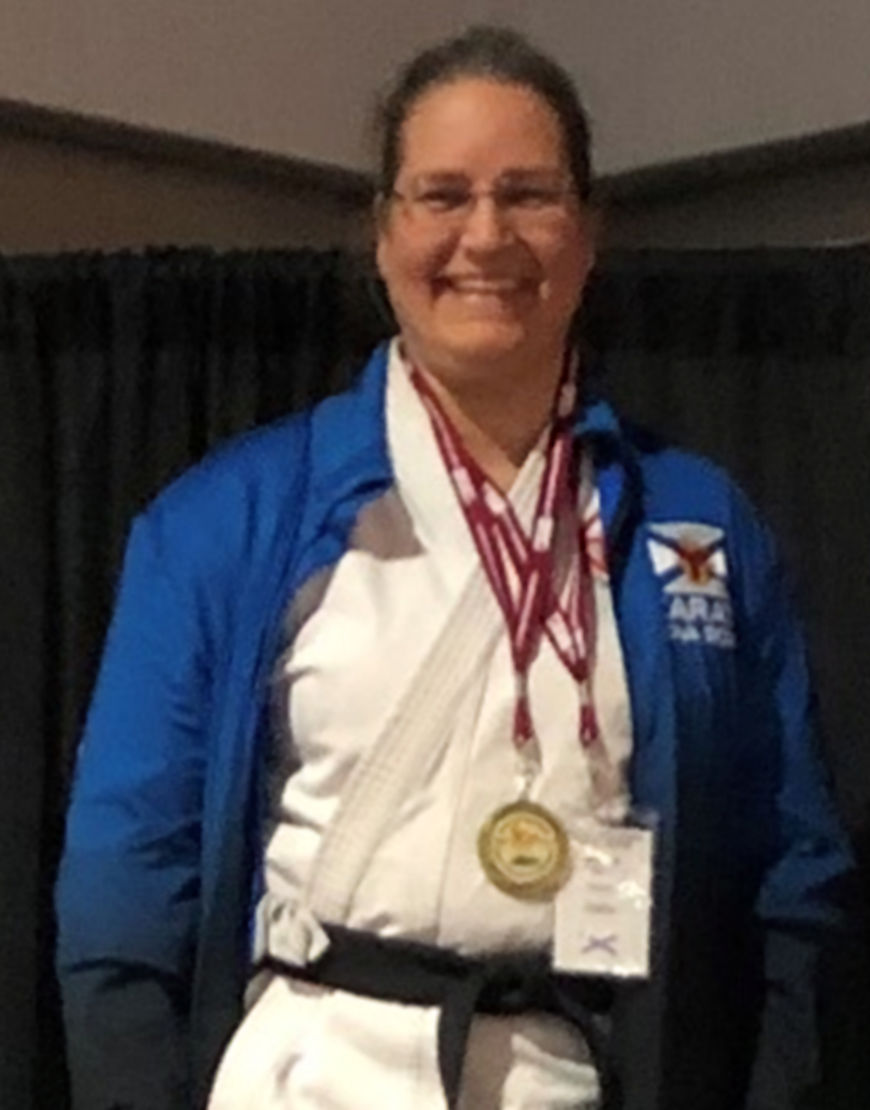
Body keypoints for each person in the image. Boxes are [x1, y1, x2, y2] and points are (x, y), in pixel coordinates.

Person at [56, 24, 855, 1110]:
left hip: (579, 1069)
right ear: (384, 232)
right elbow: (126, 879)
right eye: (442, 195)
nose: (487, 235)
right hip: (312, 1070)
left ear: (587, 232)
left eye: (529, 194)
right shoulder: (226, 520)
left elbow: (792, 877)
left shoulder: (697, 526)